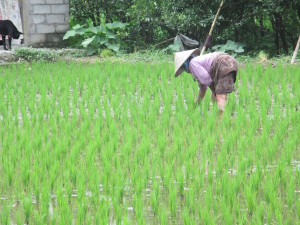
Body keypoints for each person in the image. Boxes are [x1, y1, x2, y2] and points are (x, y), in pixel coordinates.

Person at [174, 48, 238, 115]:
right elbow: (203, 89)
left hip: (222, 63)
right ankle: (221, 115)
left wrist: (213, 92)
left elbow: (206, 78)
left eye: (184, 69)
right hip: (232, 62)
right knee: (220, 93)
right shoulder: (199, 62)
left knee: (220, 95)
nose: (186, 72)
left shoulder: (192, 63)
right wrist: (196, 105)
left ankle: (221, 120)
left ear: (185, 66)